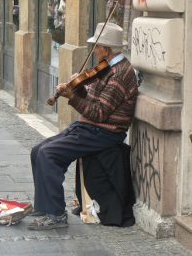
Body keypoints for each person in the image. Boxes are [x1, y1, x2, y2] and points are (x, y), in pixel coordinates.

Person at [27, 22, 139, 230]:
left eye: (97, 47)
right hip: (90, 126)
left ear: (106, 49)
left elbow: (99, 112)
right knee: (37, 151)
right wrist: (77, 91)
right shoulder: (107, 69)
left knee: (49, 154)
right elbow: (93, 100)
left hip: (105, 132)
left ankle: (57, 215)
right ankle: (44, 206)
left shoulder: (120, 74)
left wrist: (72, 97)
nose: (94, 51)